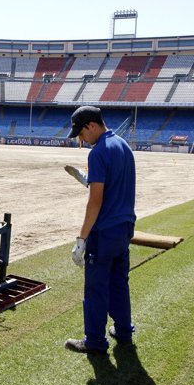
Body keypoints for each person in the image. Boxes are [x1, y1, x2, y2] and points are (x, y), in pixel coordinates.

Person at [65, 106, 137, 355]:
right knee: (119, 283)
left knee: (96, 287)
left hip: (104, 231)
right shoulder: (124, 146)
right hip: (124, 227)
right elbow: (115, 184)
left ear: (92, 126)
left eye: (81, 134)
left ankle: (94, 341)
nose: (82, 140)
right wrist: (88, 179)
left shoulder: (98, 153)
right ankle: (124, 331)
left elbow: (95, 202)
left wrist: (81, 238)